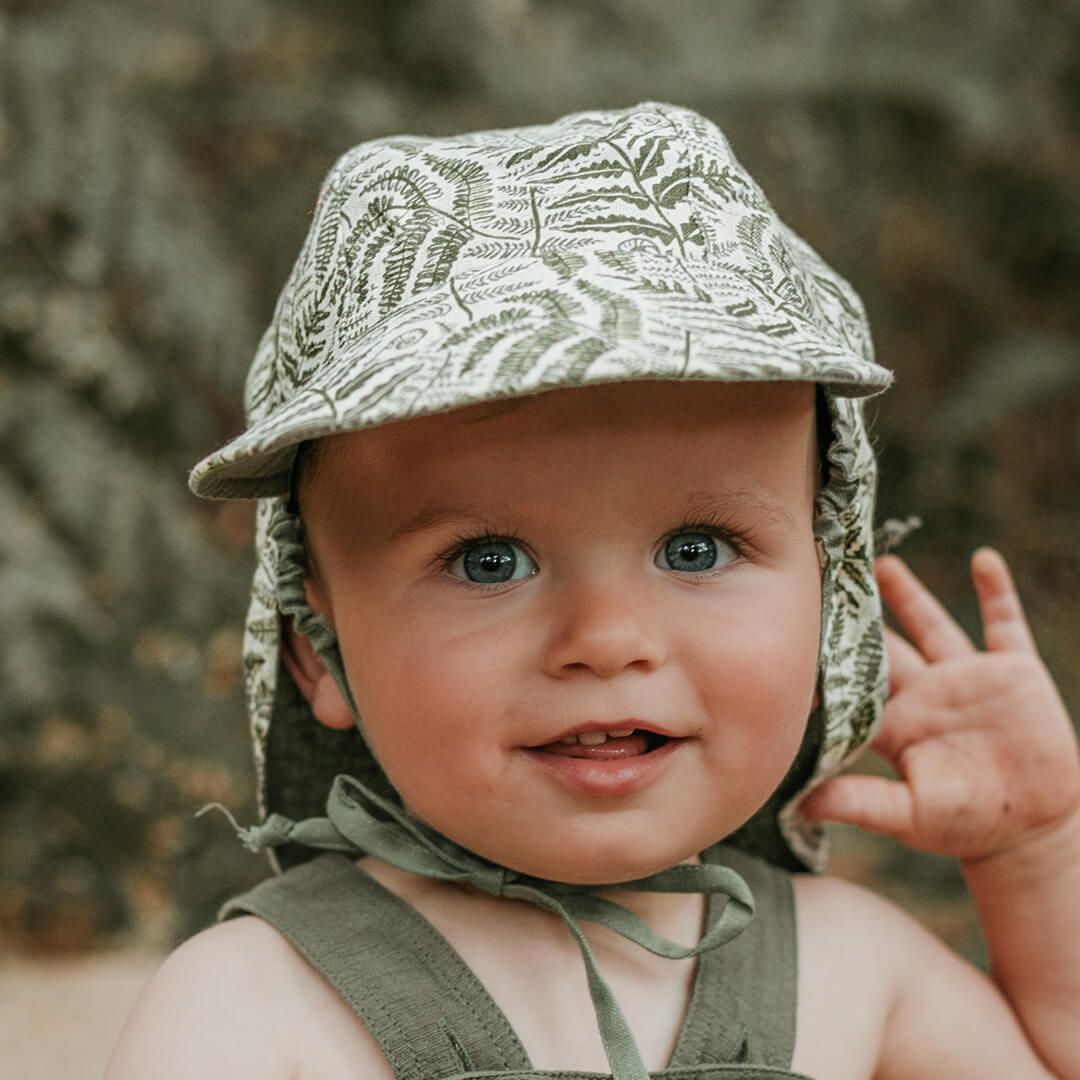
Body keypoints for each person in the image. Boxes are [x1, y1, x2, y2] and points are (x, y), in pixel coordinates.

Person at [106, 103, 1080, 1079]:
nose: (608, 639)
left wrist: (1039, 860)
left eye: (696, 550)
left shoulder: (856, 970)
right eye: (488, 561)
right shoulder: (253, 1007)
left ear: (831, 596)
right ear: (316, 649)